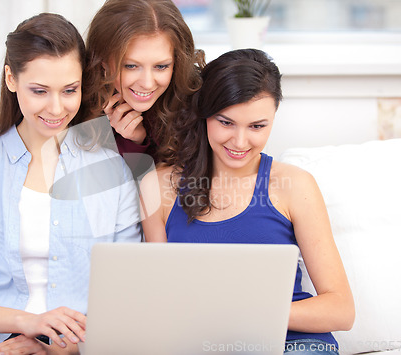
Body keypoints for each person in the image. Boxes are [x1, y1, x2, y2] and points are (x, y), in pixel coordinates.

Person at [0, 13, 141, 355]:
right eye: (39, 91)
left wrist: (59, 348)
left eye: (69, 90)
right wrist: (27, 323)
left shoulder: (112, 171)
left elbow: (127, 295)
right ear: (11, 77)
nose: (57, 108)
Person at [141, 49, 355, 354]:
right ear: (204, 114)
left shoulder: (294, 185)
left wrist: (247, 316)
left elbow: (341, 310)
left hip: (293, 344)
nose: (240, 142)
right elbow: (160, 298)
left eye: (257, 126)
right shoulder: (159, 186)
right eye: (226, 123)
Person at [81, 0, 204, 165]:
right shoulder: (76, 100)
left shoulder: (196, 105)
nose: (147, 83)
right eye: (131, 66)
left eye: (161, 66)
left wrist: (137, 142)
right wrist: (134, 141)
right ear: (102, 61)